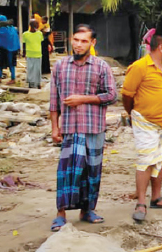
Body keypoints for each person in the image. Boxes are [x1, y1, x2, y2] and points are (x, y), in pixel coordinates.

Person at [48, 24, 117, 231]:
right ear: (71, 39)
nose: (79, 45)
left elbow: (112, 95)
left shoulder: (101, 66)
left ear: (92, 43)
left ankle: (87, 210)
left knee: (92, 171)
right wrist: (54, 127)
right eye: (76, 40)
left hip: (94, 127)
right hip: (70, 127)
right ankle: (60, 213)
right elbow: (54, 100)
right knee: (67, 170)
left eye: (84, 41)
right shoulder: (60, 66)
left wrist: (83, 99)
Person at [121, 31, 162, 222]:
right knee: (146, 160)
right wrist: (133, 113)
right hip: (145, 120)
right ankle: (140, 202)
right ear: (161, 47)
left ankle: (156, 197)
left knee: (159, 159)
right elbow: (127, 95)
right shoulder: (139, 67)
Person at [0, 15, 20, 82]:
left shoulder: (2, 29)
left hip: (6, 49)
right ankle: (11, 78)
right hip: (13, 48)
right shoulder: (12, 28)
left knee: (1, 63)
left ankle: (4, 78)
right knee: (10, 64)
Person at [22, 17, 45, 89]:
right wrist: (24, 53)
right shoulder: (37, 34)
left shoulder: (27, 34)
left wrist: (24, 52)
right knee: (33, 69)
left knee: (34, 69)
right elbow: (24, 44)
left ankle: (36, 83)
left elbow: (24, 44)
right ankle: (34, 83)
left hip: (35, 54)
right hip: (33, 54)